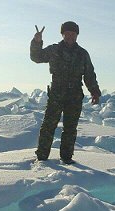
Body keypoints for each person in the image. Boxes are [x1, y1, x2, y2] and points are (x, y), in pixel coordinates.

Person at [30, 21, 101, 164]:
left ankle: (66, 158)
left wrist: (94, 91)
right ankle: (42, 158)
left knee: (70, 128)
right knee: (48, 126)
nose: (70, 36)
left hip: (74, 95)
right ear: (62, 34)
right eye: (67, 34)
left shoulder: (82, 54)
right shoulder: (54, 50)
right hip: (56, 94)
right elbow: (37, 57)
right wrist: (37, 42)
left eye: (73, 34)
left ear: (77, 35)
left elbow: (89, 74)